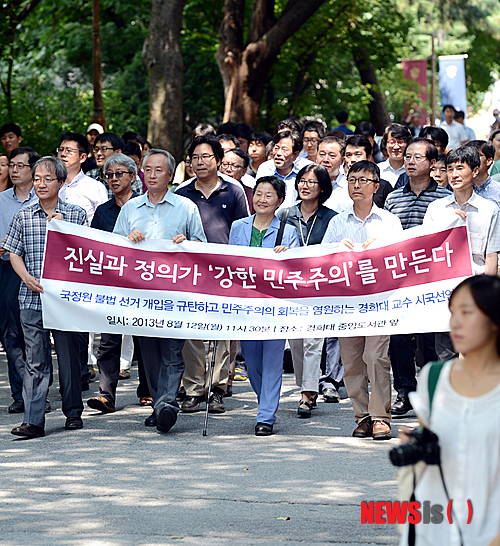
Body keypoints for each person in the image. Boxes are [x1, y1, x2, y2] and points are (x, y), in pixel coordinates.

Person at [399, 275, 500, 546]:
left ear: (495, 320)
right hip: (434, 530)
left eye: (466, 312)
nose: (455, 322)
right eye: (452, 311)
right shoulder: (433, 378)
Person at [113, 148, 206, 433]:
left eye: (158, 170)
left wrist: (186, 243)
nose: (152, 175)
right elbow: (112, 249)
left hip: (174, 295)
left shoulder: (186, 207)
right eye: (148, 170)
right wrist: (129, 241)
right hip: (140, 295)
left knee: (172, 351)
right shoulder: (130, 208)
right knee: (149, 353)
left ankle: (167, 404)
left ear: (170, 175)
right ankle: (159, 404)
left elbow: (202, 246)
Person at [3, 156, 88, 438]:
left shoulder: (75, 214)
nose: (40, 184)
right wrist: (25, 276)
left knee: (68, 357)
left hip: (65, 301)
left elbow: (88, 254)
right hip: (31, 298)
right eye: (37, 179)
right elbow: (13, 252)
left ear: (61, 183)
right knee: (35, 360)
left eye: (47, 179)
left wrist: (66, 230)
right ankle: (33, 420)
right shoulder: (23, 215)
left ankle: (73, 412)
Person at [322, 161, 402, 439]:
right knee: (352, 361)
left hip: (380, 302)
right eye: (352, 179)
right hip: (348, 304)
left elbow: (400, 261)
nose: (356, 185)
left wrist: (380, 252)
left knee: (376, 357)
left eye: (363, 180)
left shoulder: (389, 222)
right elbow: (322, 261)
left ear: (375, 186)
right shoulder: (337, 222)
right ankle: (363, 415)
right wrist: (335, 251)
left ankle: (381, 416)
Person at [176, 135, 248, 414]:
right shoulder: (181, 194)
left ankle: (218, 388)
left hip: (225, 271)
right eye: (195, 157)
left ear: (218, 160)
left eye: (206, 156)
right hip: (190, 272)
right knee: (192, 331)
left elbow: (242, 229)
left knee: (221, 330)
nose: (200, 162)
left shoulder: (234, 190)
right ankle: (193, 388)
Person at [385, 138, 451, 416]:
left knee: (429, 341)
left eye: (417, 157)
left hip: (432, 280)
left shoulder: (444, 200)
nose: (410, 161)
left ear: (433, 163)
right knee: (399, 340)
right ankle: (404, 392)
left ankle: (431, 393)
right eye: (408, 156)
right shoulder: (392, 198)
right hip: (399, 280)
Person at [229, 176, 300, 435]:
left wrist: (286, 258)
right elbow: (229, 263)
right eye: (258, 194)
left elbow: (296, 271)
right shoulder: (238, 227)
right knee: (252, 362)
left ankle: (266, 416)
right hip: (246, 306)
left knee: (271, 361)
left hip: (274, 307)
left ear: (279, 201)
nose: (262, 199)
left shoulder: (288, 232)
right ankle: (265, 404)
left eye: (269, 195)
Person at [86, 153, 149, 413]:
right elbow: (92, 245)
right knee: (108, 341)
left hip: (144, 283)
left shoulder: (147, 207)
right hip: (112, 284)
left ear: (133, 177)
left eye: (119, 174)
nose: (113, 179)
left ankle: (148, 392)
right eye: (108, 175)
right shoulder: (103, 211)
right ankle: (105, 395)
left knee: (145, 339)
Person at [278, 164, 336, 416]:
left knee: (314, 340)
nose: (305, 186)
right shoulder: (284, 215)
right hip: (290, 288)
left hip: (318, 287)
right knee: (297, 343)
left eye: (312, 182)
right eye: (302, 181)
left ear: (322, 188)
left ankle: (307, 393)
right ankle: (305, 385)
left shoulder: (332, 217)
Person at [0, 147, 40, 414]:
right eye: (11, 165)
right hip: (6, 269)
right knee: (11, 333)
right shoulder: (1, 200)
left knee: (35, 335)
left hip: (38, 270)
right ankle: (20, 393)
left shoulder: (46, 198)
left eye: (20, 166)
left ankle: (37, 393)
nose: (14, 170)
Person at [424, 145, 500, 276]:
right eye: (450, 169)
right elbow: (425, 249)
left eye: (460, 168)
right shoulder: (435, 208)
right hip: (442, 285)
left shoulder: (489, 210)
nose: (454, 175)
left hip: (475, 285)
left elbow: (491, 257)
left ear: (475, 171)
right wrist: (445, 223)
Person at [86, 132, 143, 197]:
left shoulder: (131, 178)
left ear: (118, 152)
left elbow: (137, 205)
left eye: (104, 149)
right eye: (96, 149)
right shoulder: (90, 176)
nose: (99, 153)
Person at [466, 140, 500, 207]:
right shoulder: (460, 189)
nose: (471, 160)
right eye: (467, 156)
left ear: (489, 161)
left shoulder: (498, 190)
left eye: (476, 155)